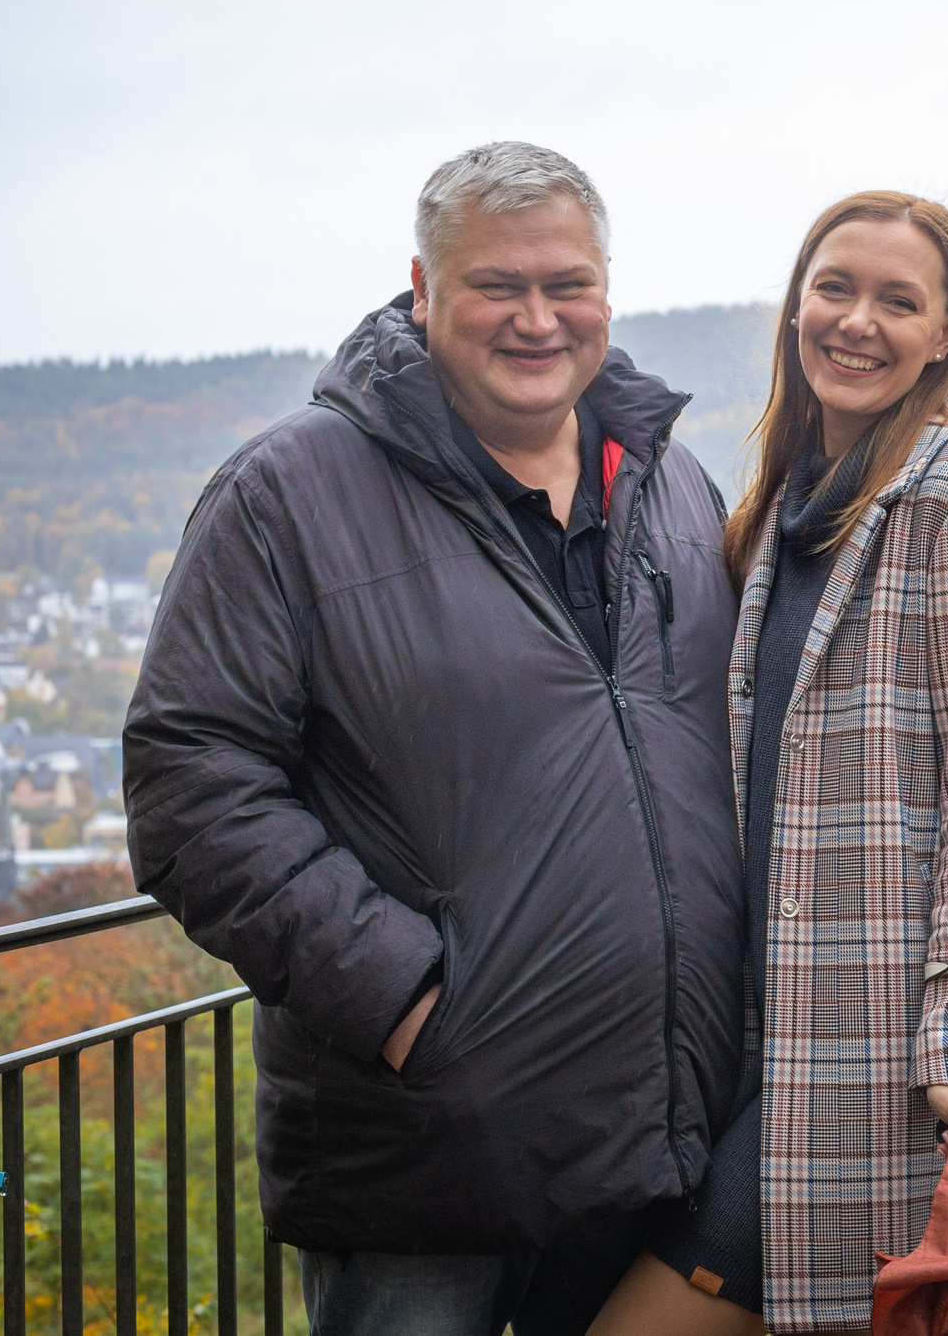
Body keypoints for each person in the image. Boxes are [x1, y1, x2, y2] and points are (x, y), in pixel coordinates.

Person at [124, 142, 747, 1336]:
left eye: (566, 285)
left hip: (649, 1136)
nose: (535, 318)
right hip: (425, 1152)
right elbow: (189, 784)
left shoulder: (672, 488)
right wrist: (412, 1003)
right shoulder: (285, 496)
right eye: (494, 286)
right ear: (422, 290)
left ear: (606, 293)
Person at [588, 192, 948, 1336]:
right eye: (834, 289)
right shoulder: (784, 507)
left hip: (879, 1068)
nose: (857, 322)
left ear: (946, 331)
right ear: (795, 306)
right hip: (750, 1049)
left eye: (899, 301)